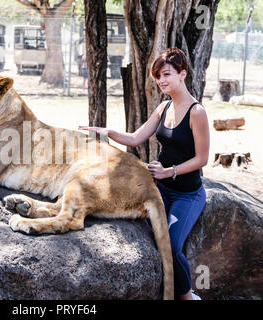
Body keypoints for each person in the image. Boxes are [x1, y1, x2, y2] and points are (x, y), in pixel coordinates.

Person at [79, 47, 210, 300]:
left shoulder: (197, 112)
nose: (161, 80)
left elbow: (202, 159)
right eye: (158, 76)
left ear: (182, 74)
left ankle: (188, 296)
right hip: (159, 189)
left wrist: (168, 171)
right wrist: (108, 132)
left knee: (170, 246)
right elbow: (136, 137)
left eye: (167, 74)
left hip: (187, 194)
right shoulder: (163, 108)